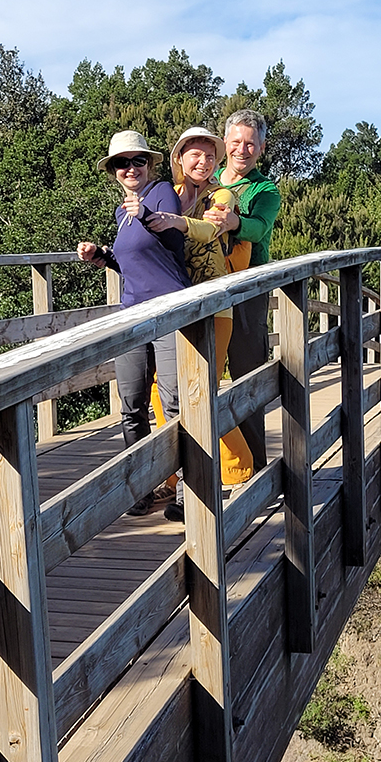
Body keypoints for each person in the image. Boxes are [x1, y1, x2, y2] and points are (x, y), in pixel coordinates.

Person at [77, 130, 190, 520]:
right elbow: (132, 264)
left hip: (169, 311)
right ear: (113, 171)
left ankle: (185, 493)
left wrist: (144, 214)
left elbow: (173, 242)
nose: (130, 168)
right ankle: (141, 488)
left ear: (149, 164)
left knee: (174, 404)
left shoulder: (161, 193)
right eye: (121, 163)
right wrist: (102, 256)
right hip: (133, 315)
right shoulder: (120, 213)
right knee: (132, 406)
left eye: (137, 161)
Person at [146, 127, 253, 496]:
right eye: (195, 154)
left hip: (214, 304)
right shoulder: (168, 195)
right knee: (163, 389)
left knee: (203, 388)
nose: (204, 162)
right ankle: (173, 473)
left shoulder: (221, 195)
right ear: (179, 159)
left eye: (210, 156)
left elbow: (210, 229)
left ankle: (237, 469)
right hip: (177, 303)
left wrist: (177, 222)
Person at [201, 110, 281, 470]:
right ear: (225, 142)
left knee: (247, 375)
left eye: (250, 143)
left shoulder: (265, 190)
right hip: (206, 286)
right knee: (201, 376)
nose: (242, 149)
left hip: (248, 288)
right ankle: (210, 468)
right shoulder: (207, 177)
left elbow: (260, 227)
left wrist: (234, 221)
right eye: (235, 142)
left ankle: (256, 469)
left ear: (261, 148)